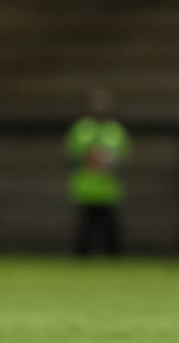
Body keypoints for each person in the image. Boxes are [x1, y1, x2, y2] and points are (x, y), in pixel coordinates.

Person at [64, 87, 130, 255]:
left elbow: (123, 159)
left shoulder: (115, 131)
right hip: (86, 188)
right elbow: (72, 156)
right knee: (85, 229)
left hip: (108, 189)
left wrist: (108, 162)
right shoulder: (82, 129)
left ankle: (113, 259)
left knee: (110, 230)